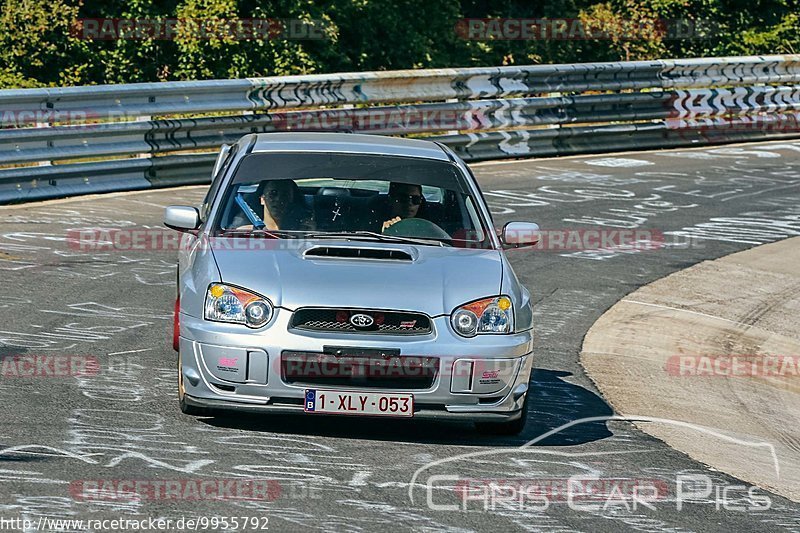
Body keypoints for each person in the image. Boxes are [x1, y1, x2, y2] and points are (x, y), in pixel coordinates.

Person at [232, 179, 314, 231]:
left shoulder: (304, 232)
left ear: (291, 199)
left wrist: (311, 234)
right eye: (273, 193)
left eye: (285, 195)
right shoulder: (248, 233)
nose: (278, 199)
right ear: (262, 199)